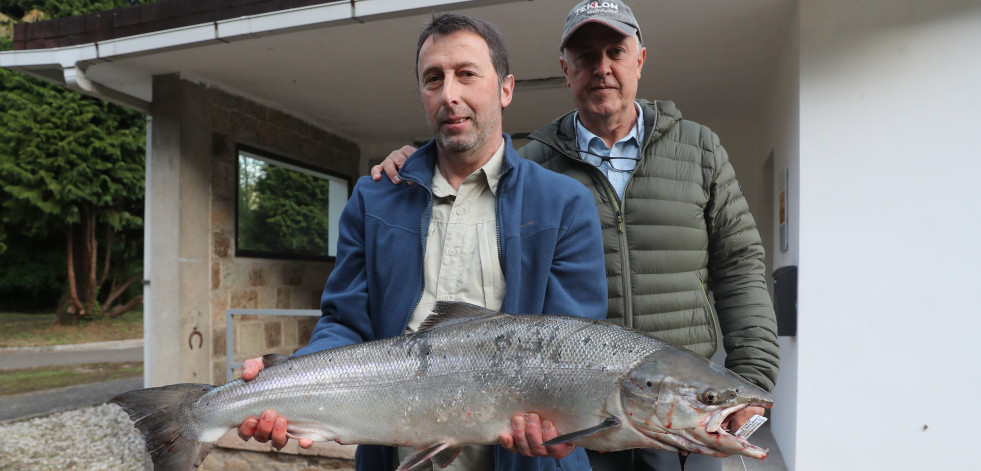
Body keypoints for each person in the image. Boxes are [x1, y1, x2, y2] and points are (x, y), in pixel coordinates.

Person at [371, 2, 780, 470]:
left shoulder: (699, 151)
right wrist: (412, 163)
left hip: (683, 405)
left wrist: (747, 382)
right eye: (585, 57)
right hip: (575, 417)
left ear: (640, 60)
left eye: (615, 51)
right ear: (566, 70)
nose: (601, 68)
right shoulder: (535, 166)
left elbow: (741, 268)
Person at [237, 12, 607, 471]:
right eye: (434, 79)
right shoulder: (372, 199)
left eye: (466, 74)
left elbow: (573, 350)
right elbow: (345, 325)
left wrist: (563, 427)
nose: (449, 94)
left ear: (505, 88)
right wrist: (282, 382)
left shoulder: (565, 204)